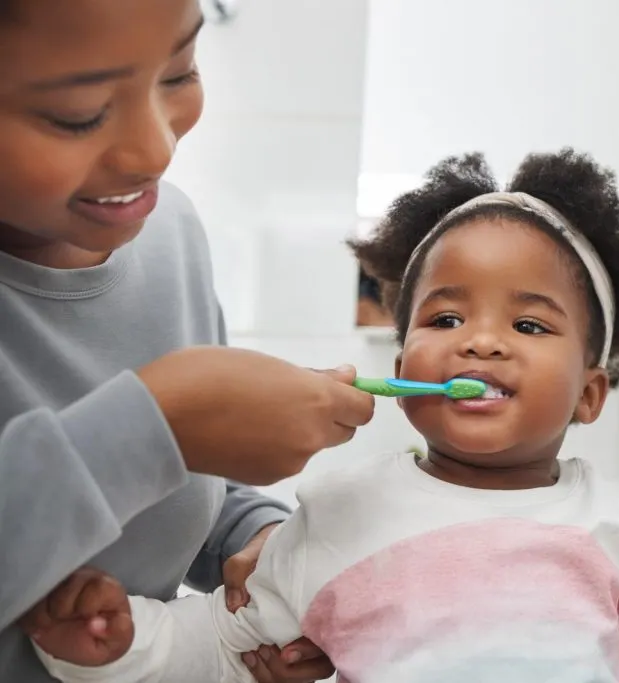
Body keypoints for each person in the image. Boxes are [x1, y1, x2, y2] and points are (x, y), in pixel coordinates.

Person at [29, 149, 619, 682]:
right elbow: (223, 645)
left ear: (589, 393)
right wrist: (110, 644)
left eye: (526, 322)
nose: (481, 341)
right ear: (402, 365)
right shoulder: (341, 515)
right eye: (446, 317)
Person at [0, 1, 374, 681]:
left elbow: (185, 487)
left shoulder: (168, 230)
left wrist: (254, 537)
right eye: (79, 112)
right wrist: (158, 424)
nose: (157, 151)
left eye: (179, 72)